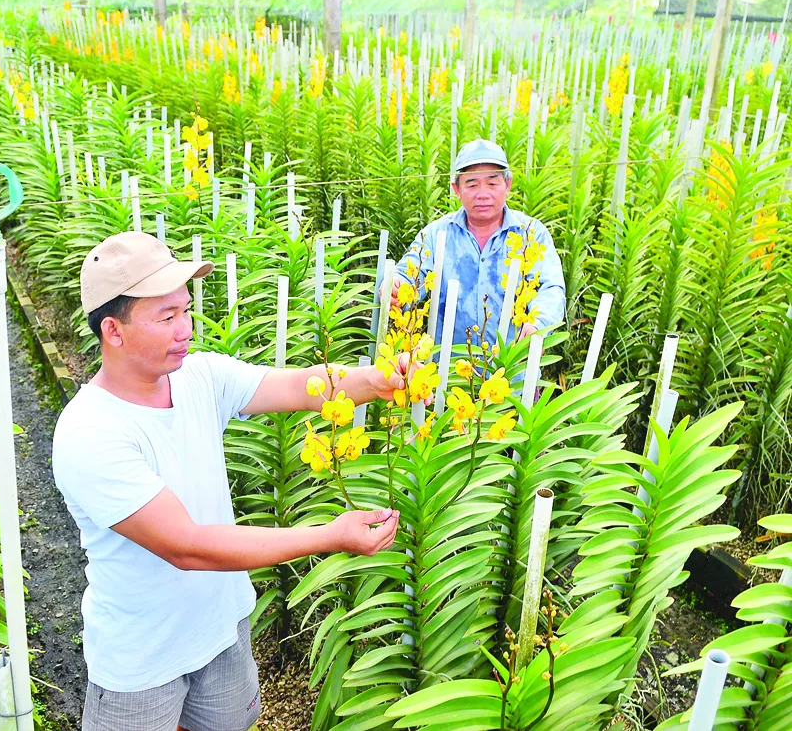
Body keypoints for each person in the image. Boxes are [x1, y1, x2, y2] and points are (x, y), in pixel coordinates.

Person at [51, 231, 405, 731]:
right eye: (167, 317)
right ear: (114, 330)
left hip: (222, 630)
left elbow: (301, 386)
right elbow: (187, 546)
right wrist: (330, 536)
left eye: (186, 310)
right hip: (141, 660)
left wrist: (377, 380)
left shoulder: (200, 377)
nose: (186, 329)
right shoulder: (90, 431)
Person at [384, 139, 565, 346]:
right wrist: (396, 286)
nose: (483, 194)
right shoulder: (436, 234)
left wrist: (539, 324)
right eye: (472, 185)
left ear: (507, 185)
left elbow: (550, 287)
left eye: (492, 183)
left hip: (512, 362)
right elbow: (410, 272)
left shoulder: (531, 233)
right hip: (448, 363)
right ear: (456, 189)